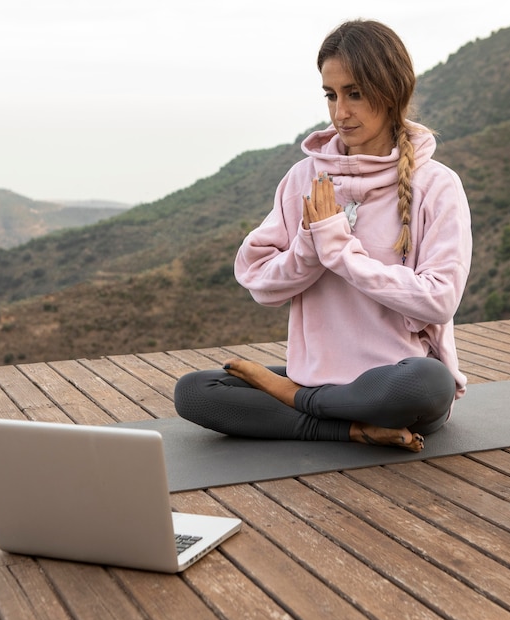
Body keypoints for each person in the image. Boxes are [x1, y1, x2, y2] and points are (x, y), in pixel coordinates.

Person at [174, 19, 472, 451]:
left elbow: (440, 299)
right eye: (331, 95)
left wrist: (341, 252)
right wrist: (310, 251)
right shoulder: (303, 178)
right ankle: (344, 426)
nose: (340, 112)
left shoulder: (437, 185)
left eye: (355, 93)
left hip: (393, 383)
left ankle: (296, 403)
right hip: (320, 377)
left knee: (427, 383)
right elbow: (259, 282)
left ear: (392, 92)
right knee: (195, 392)